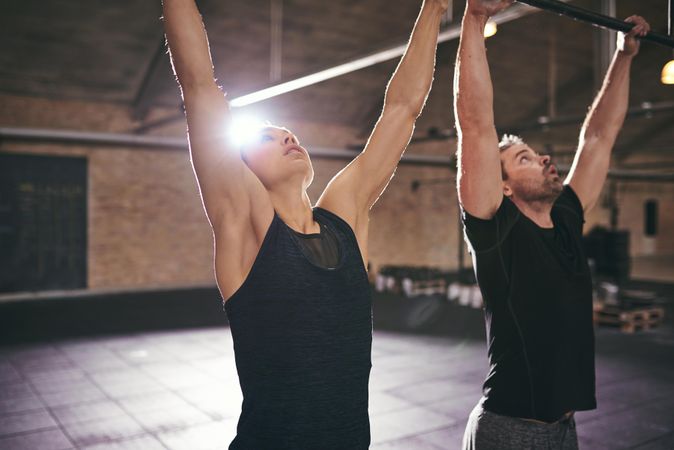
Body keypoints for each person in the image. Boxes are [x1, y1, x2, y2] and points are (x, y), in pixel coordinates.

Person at [161, 0, 448, 448]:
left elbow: (402, 109)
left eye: (289, 133)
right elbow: (199, 86)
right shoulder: (247, 224)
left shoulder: (344, 220)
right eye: (266, 137)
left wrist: (434, 7)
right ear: (240, 168)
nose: (287, 137)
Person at [453, 0, 650, 448]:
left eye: (537, 153)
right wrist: (476, 18)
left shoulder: (564, 219)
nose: (544, 157)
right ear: (501, 186)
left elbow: (598, 138)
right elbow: (475, 122)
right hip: (508, 428)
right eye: (524, 158)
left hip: (564, 429)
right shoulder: (496, 230)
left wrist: (623, 56)